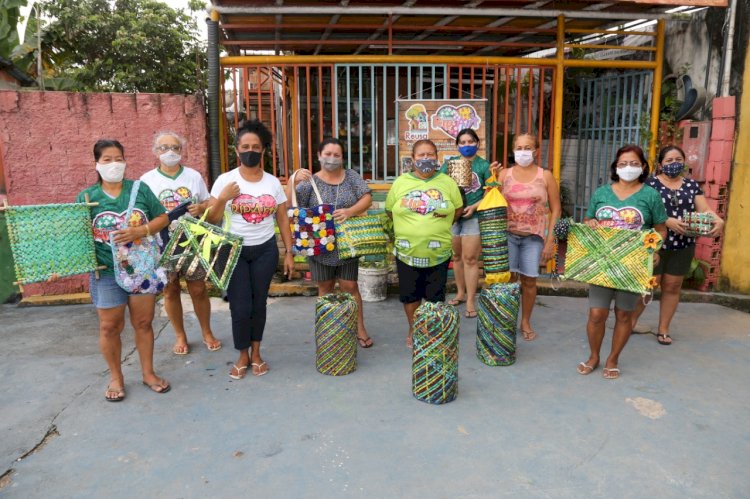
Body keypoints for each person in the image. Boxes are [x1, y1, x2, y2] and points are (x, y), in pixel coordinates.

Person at [77, 139, 171, 401]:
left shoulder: (139, 189)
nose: (114, 164)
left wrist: (141, 230)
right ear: (96, 163)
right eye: (107, 159)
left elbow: (163, 217)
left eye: (118, 158)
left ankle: (148, 373)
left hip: (141, 269)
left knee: (143, 322)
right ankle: (116, 377)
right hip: (105, 271)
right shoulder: (87, 197)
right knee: (109, 326)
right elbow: (77, 236)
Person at [206, 120, 294, 379]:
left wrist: (289, 252)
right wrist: (223, 198)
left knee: (259, 304)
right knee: (240, 306)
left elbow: (282, 218)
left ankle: (256, 353)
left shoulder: (272, 183)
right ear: (237, 150)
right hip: (233, 251)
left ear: (263, 150)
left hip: (265, 250)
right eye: (245, 146)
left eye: (256, 146)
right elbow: (212, 218)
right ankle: (242, 353)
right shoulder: (226, 180)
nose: (250, 151)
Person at [578, 144, 667, 379]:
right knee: (597, 313)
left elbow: (660, 228)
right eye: (623, 164)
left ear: (644, 167)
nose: (628, 168)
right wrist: (591, 224)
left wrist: (655, 247)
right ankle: (594, 356)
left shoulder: (650, 195)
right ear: (615, 168)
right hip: (602, 263)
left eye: (634, 163)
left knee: (624, 314)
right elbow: (588, 219)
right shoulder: (602, 193)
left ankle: (613, 358)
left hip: (633, 263)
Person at [631, 145, 724, 345]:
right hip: (654, 243)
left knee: (673, 286)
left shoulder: (691, 186)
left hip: (683, 243)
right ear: (660, 164)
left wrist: (718, 220)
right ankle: (628, 323)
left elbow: (704, 209)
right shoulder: (649, 185)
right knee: (648, 285)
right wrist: (667, 221)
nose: (674, 164)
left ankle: (663, 329)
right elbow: (641, 214)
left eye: (678, 160)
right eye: (669, 161)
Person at [287, 138, 374, 348]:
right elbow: (291, 208)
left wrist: (350, 211)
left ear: (342, 158)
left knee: (350, 286)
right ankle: (328, 328)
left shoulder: (351, 176)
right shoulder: (309, 182)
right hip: (319, 244)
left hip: (347, 242)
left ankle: (359, 327)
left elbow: (367, 198)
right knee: (325, 287)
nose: (332, 159)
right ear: (319, 156)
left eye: (337, 155)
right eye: (327, 154)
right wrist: (292, 181)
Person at [140, 131, 221, 355]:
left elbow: (207, 201)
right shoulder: (147, 180)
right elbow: (142, 212)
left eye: (175, 147)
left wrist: (201, 208)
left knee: (198, 289)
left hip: (192, 242)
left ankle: (206, 331)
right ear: (155, 152)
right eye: (164, 147)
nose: (170, 152)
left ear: (182, 150)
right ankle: (180, 335)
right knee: (170, 290)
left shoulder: (193, 176)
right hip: (161, 243)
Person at [385, 139, 464, 348]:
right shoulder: (401, 182)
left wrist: (436, 224)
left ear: (437, 158)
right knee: (410, 296)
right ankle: (414, 329)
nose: (426, 159)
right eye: (421, 155)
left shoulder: (447, 183)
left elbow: (457, 210)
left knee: (435, 296)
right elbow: (389, 211)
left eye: (430, 154)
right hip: (407, 251)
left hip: (438, 253)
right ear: (413, 159)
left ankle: (430, 329)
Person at [490, 133, 561, 341]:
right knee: (509, 280)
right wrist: (492, 178)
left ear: (536, 151)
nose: (523, 152)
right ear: (513, 150)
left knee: (530, 281)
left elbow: (556, 210)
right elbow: (491, 203)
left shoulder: (545, 176)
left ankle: (525, 321)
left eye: (527, 147)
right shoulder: (504, 175)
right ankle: (508, 318)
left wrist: (550, 242)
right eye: (519, 148)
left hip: (534, 238)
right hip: (508, 235)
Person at [440, 128, 491, 318]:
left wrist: (475, 207)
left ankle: (471, 299)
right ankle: (460, 293)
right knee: (457, 257)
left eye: (471, 142)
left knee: (470, 259)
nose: (467, 145)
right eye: (462, 142)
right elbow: (441, 185)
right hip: (453, 217)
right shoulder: (451, 164)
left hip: (474, 217)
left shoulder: (484, 166)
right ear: (457, 146)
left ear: (477, 144)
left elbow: (491, 191)